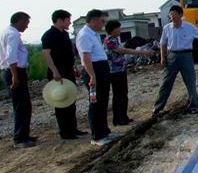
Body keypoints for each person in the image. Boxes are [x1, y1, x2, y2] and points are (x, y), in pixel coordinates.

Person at [153, 5, 198, 118]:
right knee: (166, 82)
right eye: (171, 15)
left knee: (190, 82)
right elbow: (163, 43)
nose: (172, 16)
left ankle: (194, 106)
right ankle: (157, 108)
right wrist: (162, 57)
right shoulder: (167, 28)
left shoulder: (189, 27)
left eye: (174, 14)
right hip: (171, 56)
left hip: (186, 56)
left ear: (180, 15)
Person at [41, 9, 87, 140]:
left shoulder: (64, 34)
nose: (69, 23)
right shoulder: (49, 35)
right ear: (60, 20)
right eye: (68, 20)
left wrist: (74, 68)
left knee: (70, 99)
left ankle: (73, 128)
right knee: (61, 100)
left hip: (68, 70)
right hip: (58, 72)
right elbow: (46, 54)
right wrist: (54, 71)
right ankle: (65, 131)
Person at [76, 9, 118, 146]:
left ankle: (104, 132)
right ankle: (97, 136)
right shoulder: (84, 35)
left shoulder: (93, 34)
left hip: (101, 68)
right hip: (94, 70)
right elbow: (86, 57)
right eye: (101, 21)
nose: (103, 24)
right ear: (93, 21)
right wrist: (92, 76)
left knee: (103, 101)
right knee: (96, 103)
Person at [0, 12, 35, 148]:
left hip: (10, 71)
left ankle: (24, 135)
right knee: (21, 106)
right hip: (14, 71)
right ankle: (20, 138)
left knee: (23, 105)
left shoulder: (4, 33)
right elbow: (11, 56)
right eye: (26, 23)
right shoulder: (13, 34)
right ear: (19, 21)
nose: (27, 26)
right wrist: (15, 76)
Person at [103, 20, 153, 125]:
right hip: (115, 72)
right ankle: (119, 119)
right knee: (119, 95)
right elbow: (123, 51)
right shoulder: (109, 41)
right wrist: (142, 52)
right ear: (113, 29)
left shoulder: (114, 40)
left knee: (123, 94)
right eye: (118, 28)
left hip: (120, 70)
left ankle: (123, 117)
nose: (120, 30)